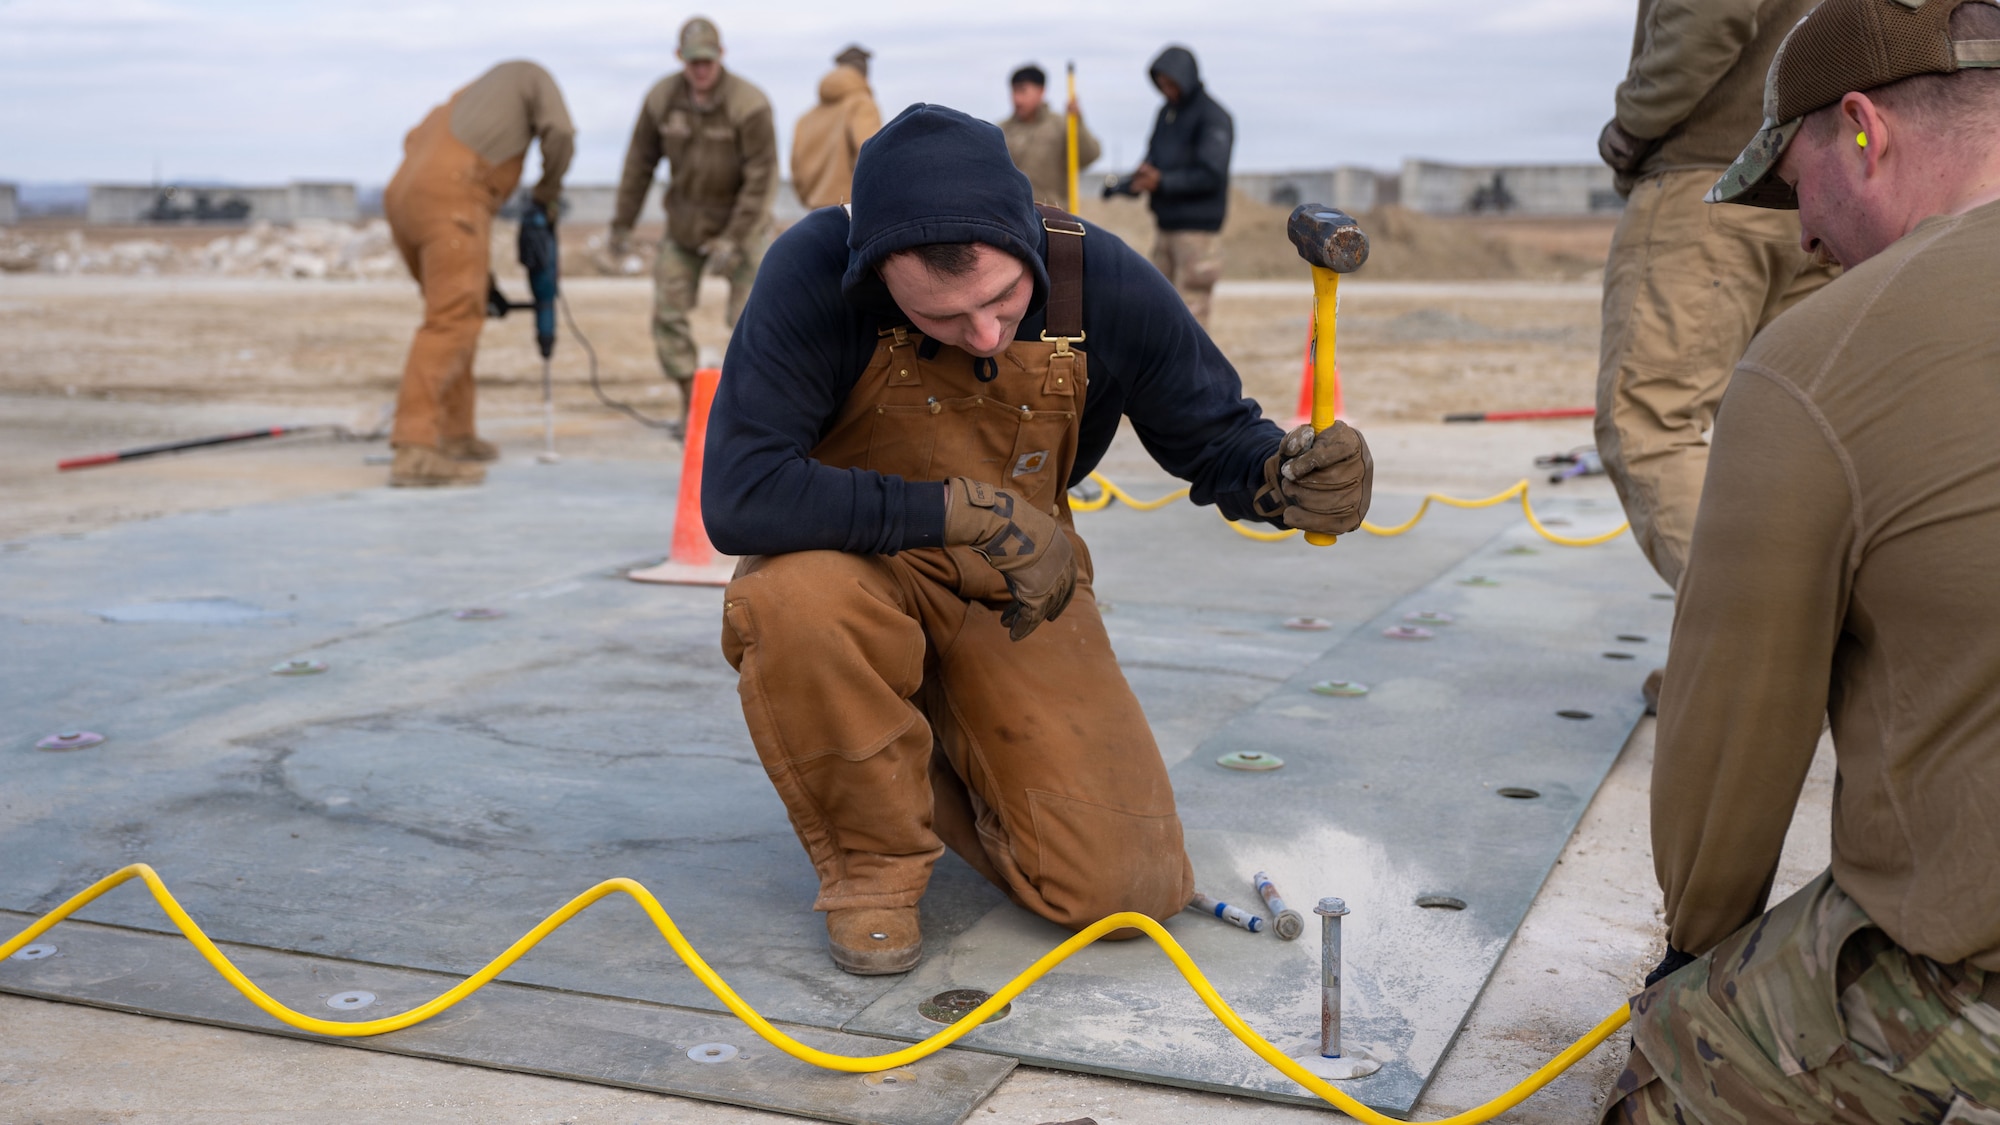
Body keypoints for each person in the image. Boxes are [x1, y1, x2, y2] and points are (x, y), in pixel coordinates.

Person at [701, 105, 1372, 976]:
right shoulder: (813, 268)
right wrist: (963, 512)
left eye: (1001, 301)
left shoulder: (1099, 275)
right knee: (790, 603)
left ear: (1027, 238)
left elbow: (1215, 439)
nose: (983, 334)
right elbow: (741, 494)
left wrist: (1286, 481)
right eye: (941, 317)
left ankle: (933, 737)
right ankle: (873, 862)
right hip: (852, 573)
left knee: (1122, 891)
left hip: (1018, 590)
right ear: (876, 274)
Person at [1603, 1, 2000, 1120]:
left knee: (1672, 1069)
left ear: (1864, 131)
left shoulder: (1818, 358)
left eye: (1794, 186)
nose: (1801, 242)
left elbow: (1727, 765)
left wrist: (1694, 962)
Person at [1595, 0, 1839, 595]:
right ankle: (1813, 669)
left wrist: (1633, 122)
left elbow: (1706, 16)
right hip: (1821, 182)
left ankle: (1761, 662)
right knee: (1794, 441)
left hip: (1711, 180)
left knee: (1652, 425)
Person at [383, 60, 573, 487]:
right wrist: (546, 193)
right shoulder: (533, 77)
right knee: (451, 320)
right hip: (454, 194)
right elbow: (562, 132)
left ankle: (454, 431)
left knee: (460, 314)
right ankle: (415, 448)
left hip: (403, 196)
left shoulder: (465, 100)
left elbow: (411, 139)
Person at [611, 17, 777, 429]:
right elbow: (638, 165)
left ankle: (746, 413)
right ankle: (693, 403)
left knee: (754, 320)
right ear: (679, 59)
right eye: (692, 62)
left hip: (743, 226)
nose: (700, 70)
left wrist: (734, 239)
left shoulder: (749, 104)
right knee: (667, 314)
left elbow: (762, 179)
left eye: (707, 60)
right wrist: (621, 225)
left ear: (720, 56)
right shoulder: (662, 99)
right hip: (685, 227)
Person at [1125, 46, 1232, 326]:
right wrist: (1141, 177)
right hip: (1165, 227)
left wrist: (1162, 181)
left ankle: (1192, 371)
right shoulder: (1166, 114)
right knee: (1156, 307)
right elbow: (1155, 155)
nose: (1166, 90)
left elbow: (1211, 174)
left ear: (1186, 78)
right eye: (1161, 85)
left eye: (1171, 84)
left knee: (1191, 317)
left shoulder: (1213, 117)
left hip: (1197, 234)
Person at [791, 45, 883, 210]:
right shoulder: (862, 105)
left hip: (815, 210)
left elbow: (796, 171)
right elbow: (872, 154)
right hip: (852, 209)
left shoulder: (806, 118)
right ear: (864, 72)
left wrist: (812, 199)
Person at [998, 63, 1101, 207]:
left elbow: (1089, 155)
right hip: (1011, 215)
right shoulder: (1001, 130)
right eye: (1014, 92)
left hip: (1052, 217)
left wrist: (1078, 123)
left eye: (1023, 91)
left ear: (1041, 91)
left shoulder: (1062, 125)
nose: (1017, 99)